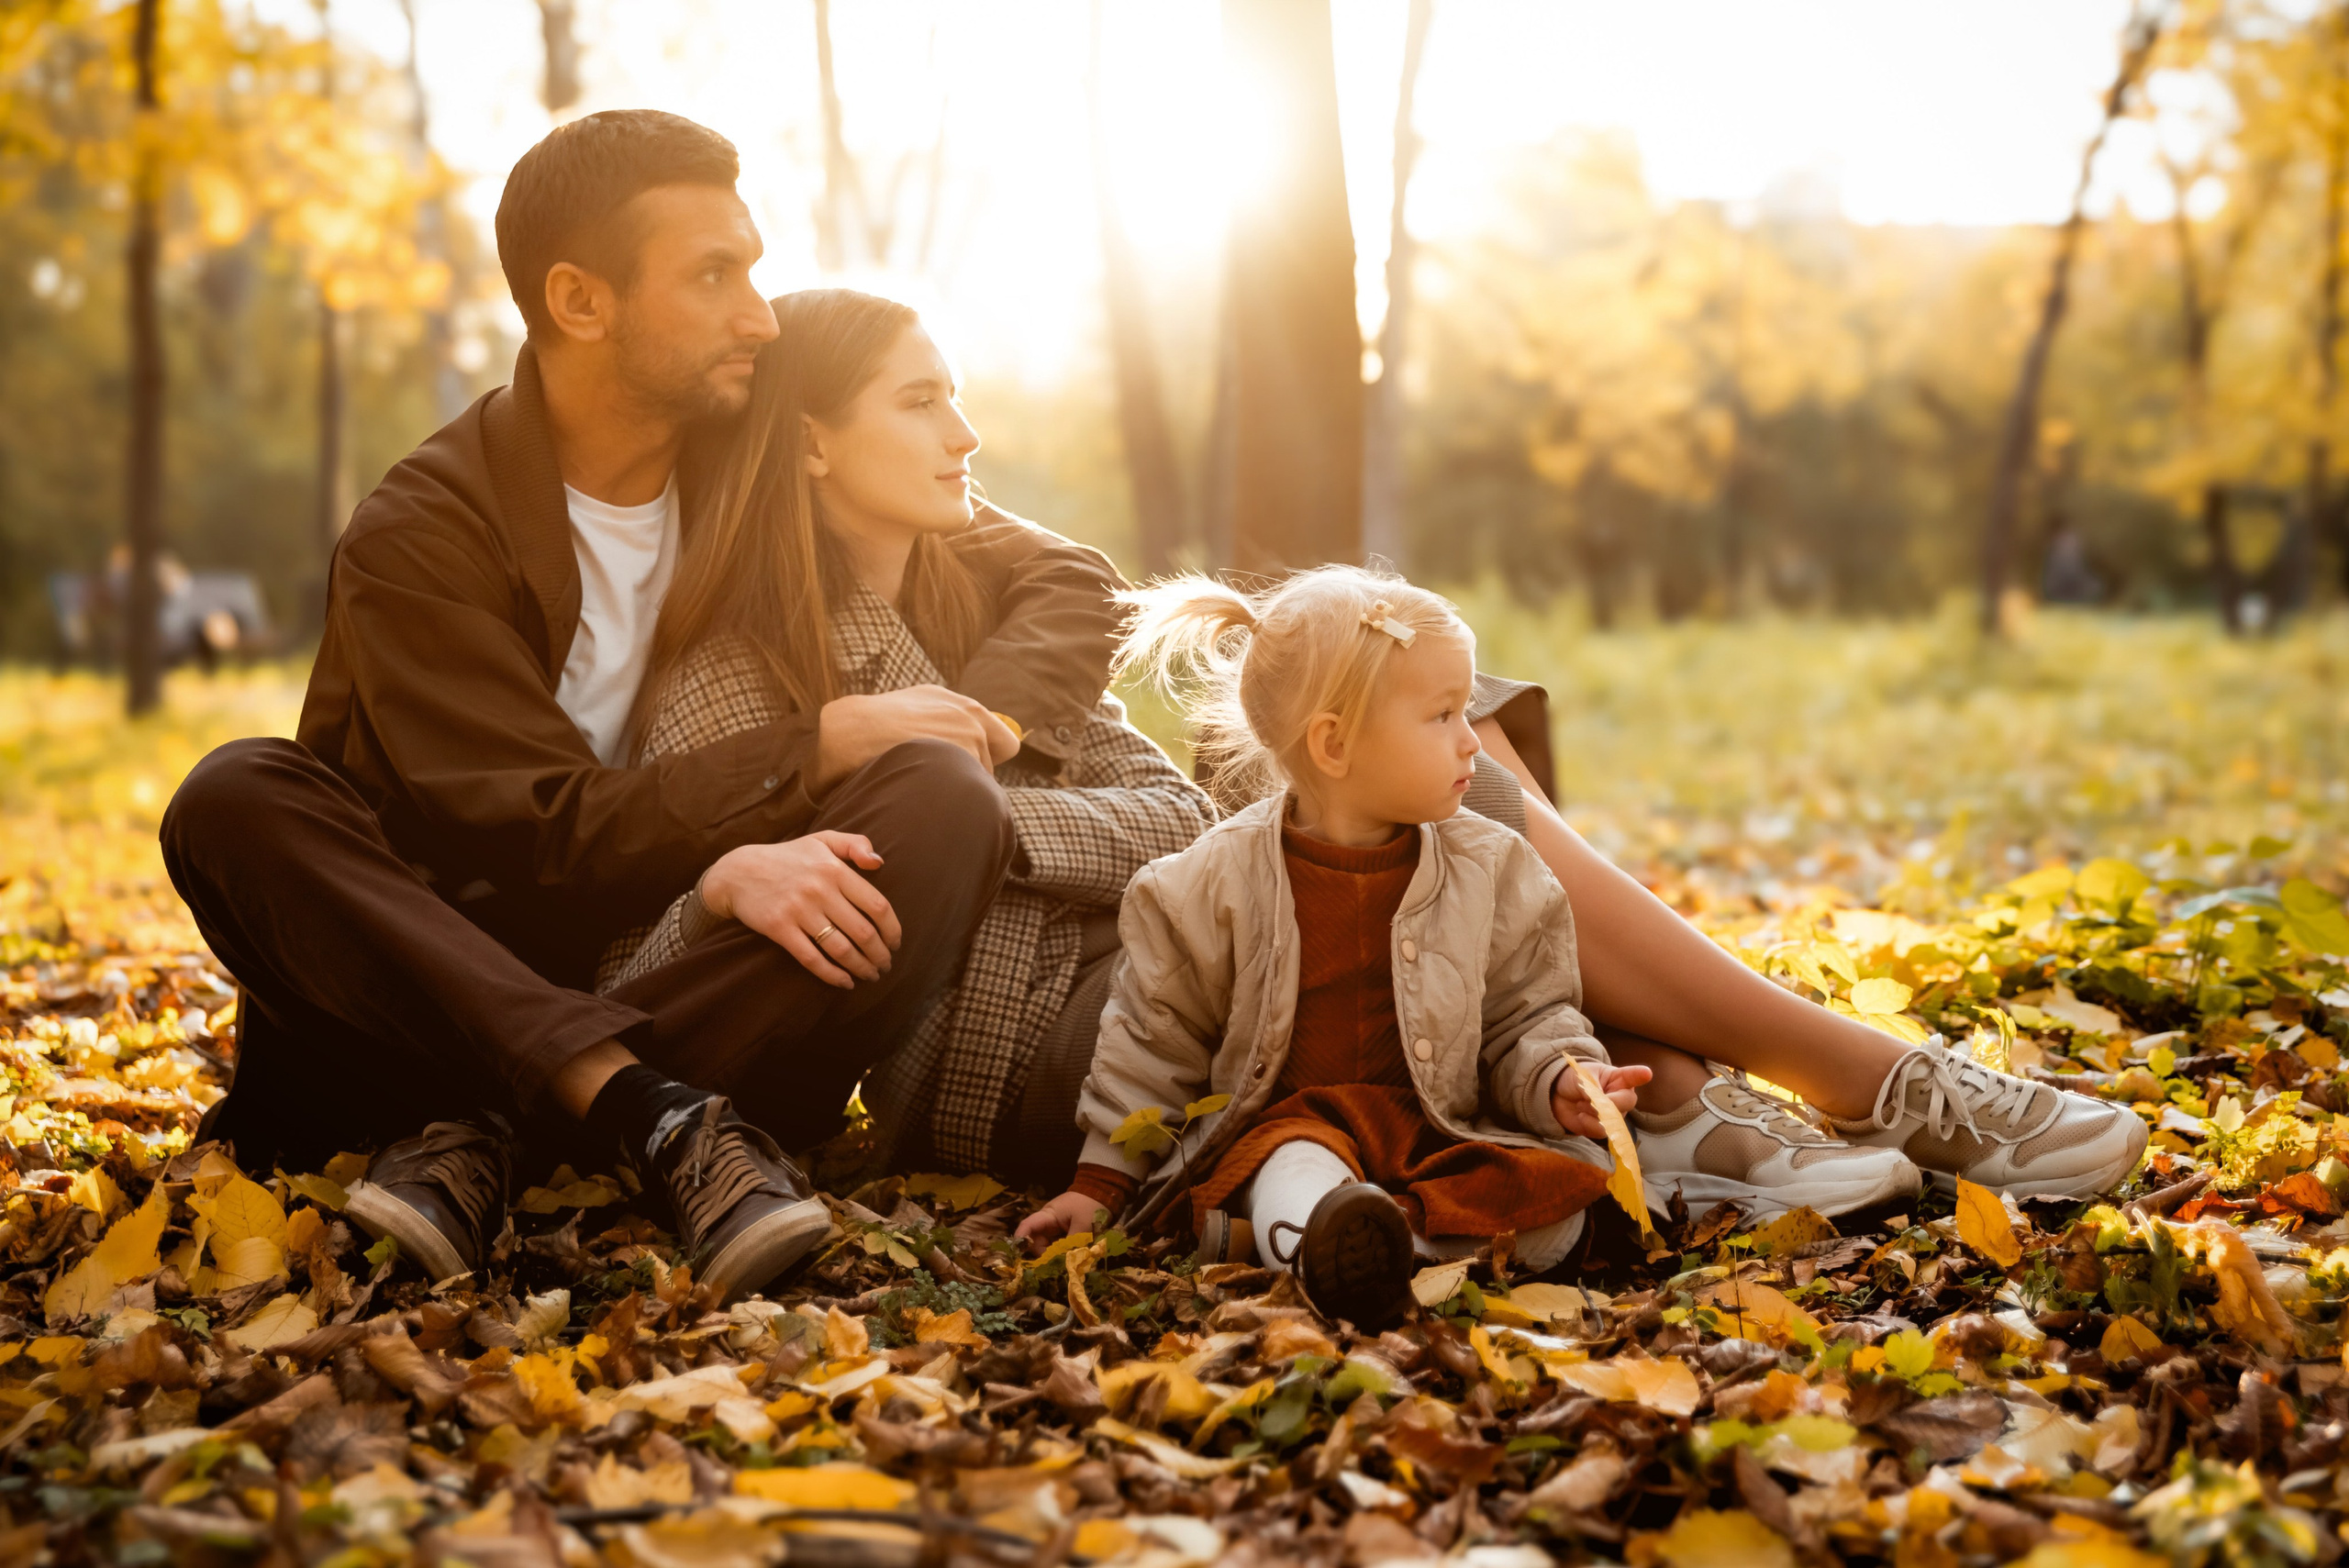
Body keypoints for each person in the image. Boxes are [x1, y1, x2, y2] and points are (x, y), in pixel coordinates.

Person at [159, 111, 1128, 1302]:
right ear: (580, 301)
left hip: (698, 985)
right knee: (235, 796)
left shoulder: (743, 451)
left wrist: (984, 724)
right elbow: (534, 838)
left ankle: (496, 1140)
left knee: (938, 792)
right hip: (421, 1011)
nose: (760, 316)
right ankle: (638, 1114)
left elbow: (1062, 572)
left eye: (756, 270)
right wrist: (773, 802)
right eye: (717, 276)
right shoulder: (426, 534)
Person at [594, 288, 1219, 1180]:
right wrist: (949, 825)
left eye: (954, 398)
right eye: (920, 402)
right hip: (1011, 1046)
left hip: (1128, 950)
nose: (964, 435)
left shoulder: (993, 621)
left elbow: (1181, 818)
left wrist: (980, 838)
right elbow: (669, 975)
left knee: (1453, 798)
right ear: (812, 442)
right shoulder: (732, 672)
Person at [1017, 568, 1667, 1328]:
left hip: (1435, 1135)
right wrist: (1098, 1185)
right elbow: (1151, 1037)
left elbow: (1526, 1014)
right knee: (1295, 1172)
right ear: (1333, 742)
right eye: (1444, 715)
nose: (1471, 741)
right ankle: (1335, 1236)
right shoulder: (1205, 884)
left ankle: (1367, 1247)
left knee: (1561, 1188)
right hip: (1293, 1126)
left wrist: (1558, 1077)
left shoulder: (1495, 869)